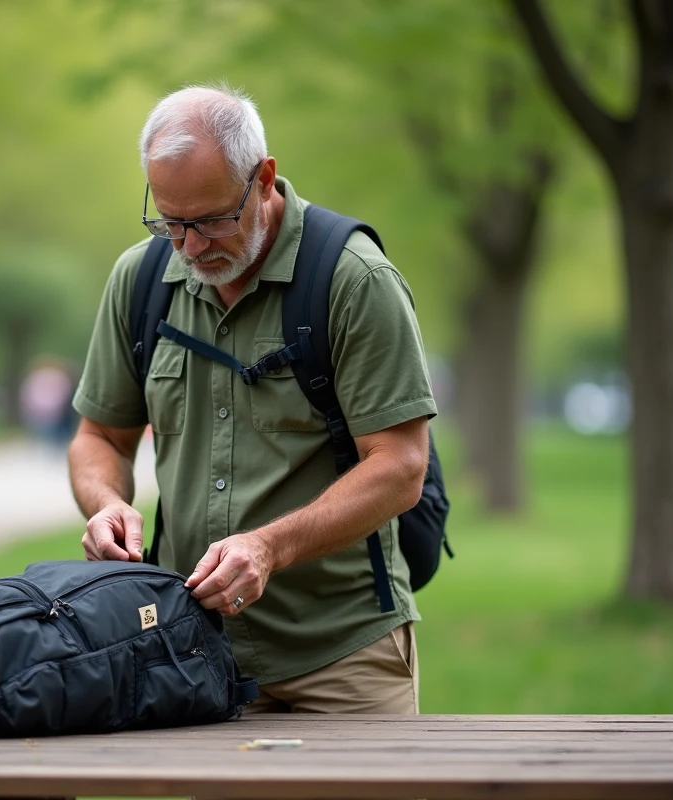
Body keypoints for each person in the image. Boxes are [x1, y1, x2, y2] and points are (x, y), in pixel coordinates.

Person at [68, 85, 437, 715]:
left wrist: (269, 547)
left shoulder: (354, 279)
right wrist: (106, 505)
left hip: (342, 658)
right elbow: (99, 436)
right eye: (171, 222)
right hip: (188, 654)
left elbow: (400, 466)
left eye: (212, 220)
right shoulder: (140, 279)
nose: (190, 247)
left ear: (263, 179)